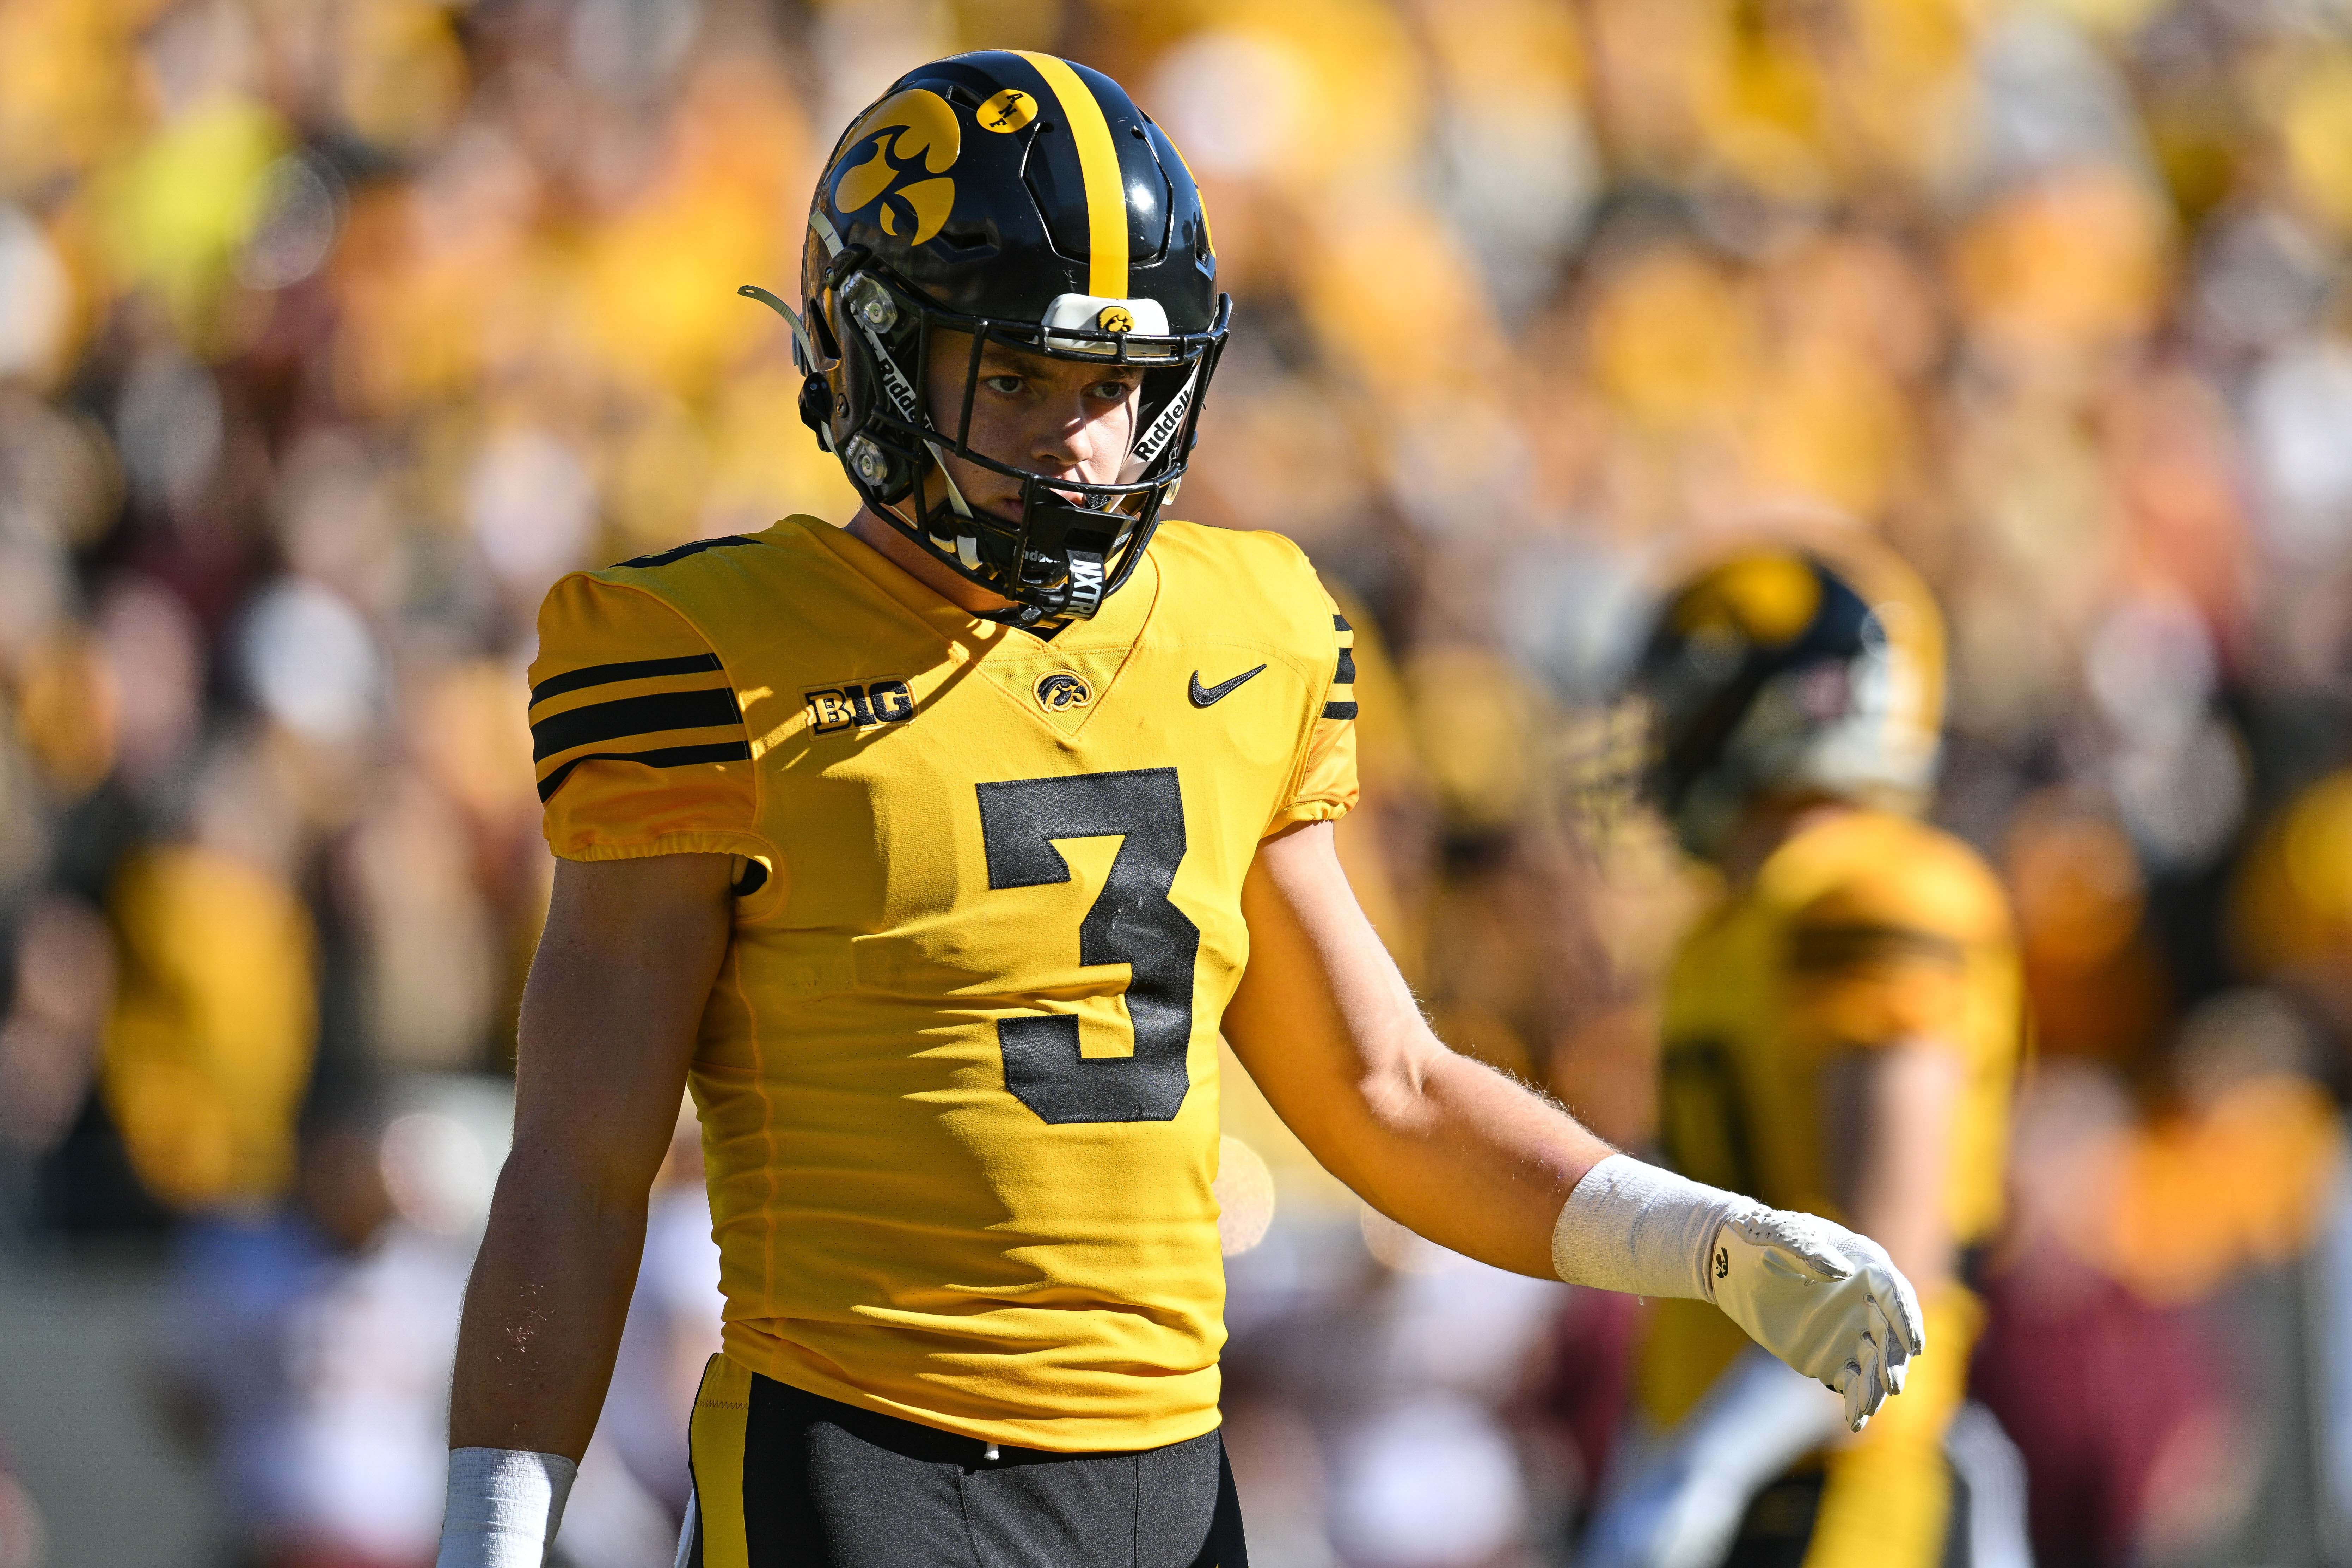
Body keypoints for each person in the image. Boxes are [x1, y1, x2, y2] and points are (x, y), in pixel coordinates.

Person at [435, 53, 1925, 1568]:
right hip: (866, 1455)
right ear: (874, 349)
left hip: (1171, 1481)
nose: (1083, 444)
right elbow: (580, 1159)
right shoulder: (701, 653)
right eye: (1018, 378)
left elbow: (1388, 1087)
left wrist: (1704, 1239)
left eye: (1114, 385)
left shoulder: (1247, 622)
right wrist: (492, 1532)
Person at [1579, 542, 2030, 1568]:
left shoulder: (1878, 897)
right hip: (1746, 1474)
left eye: (1689, 696)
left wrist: (1707, 1465)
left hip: (1845, 1489)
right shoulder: (1731, 930)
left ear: (1795, 701)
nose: (1661, 735)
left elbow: (1886, 1273)